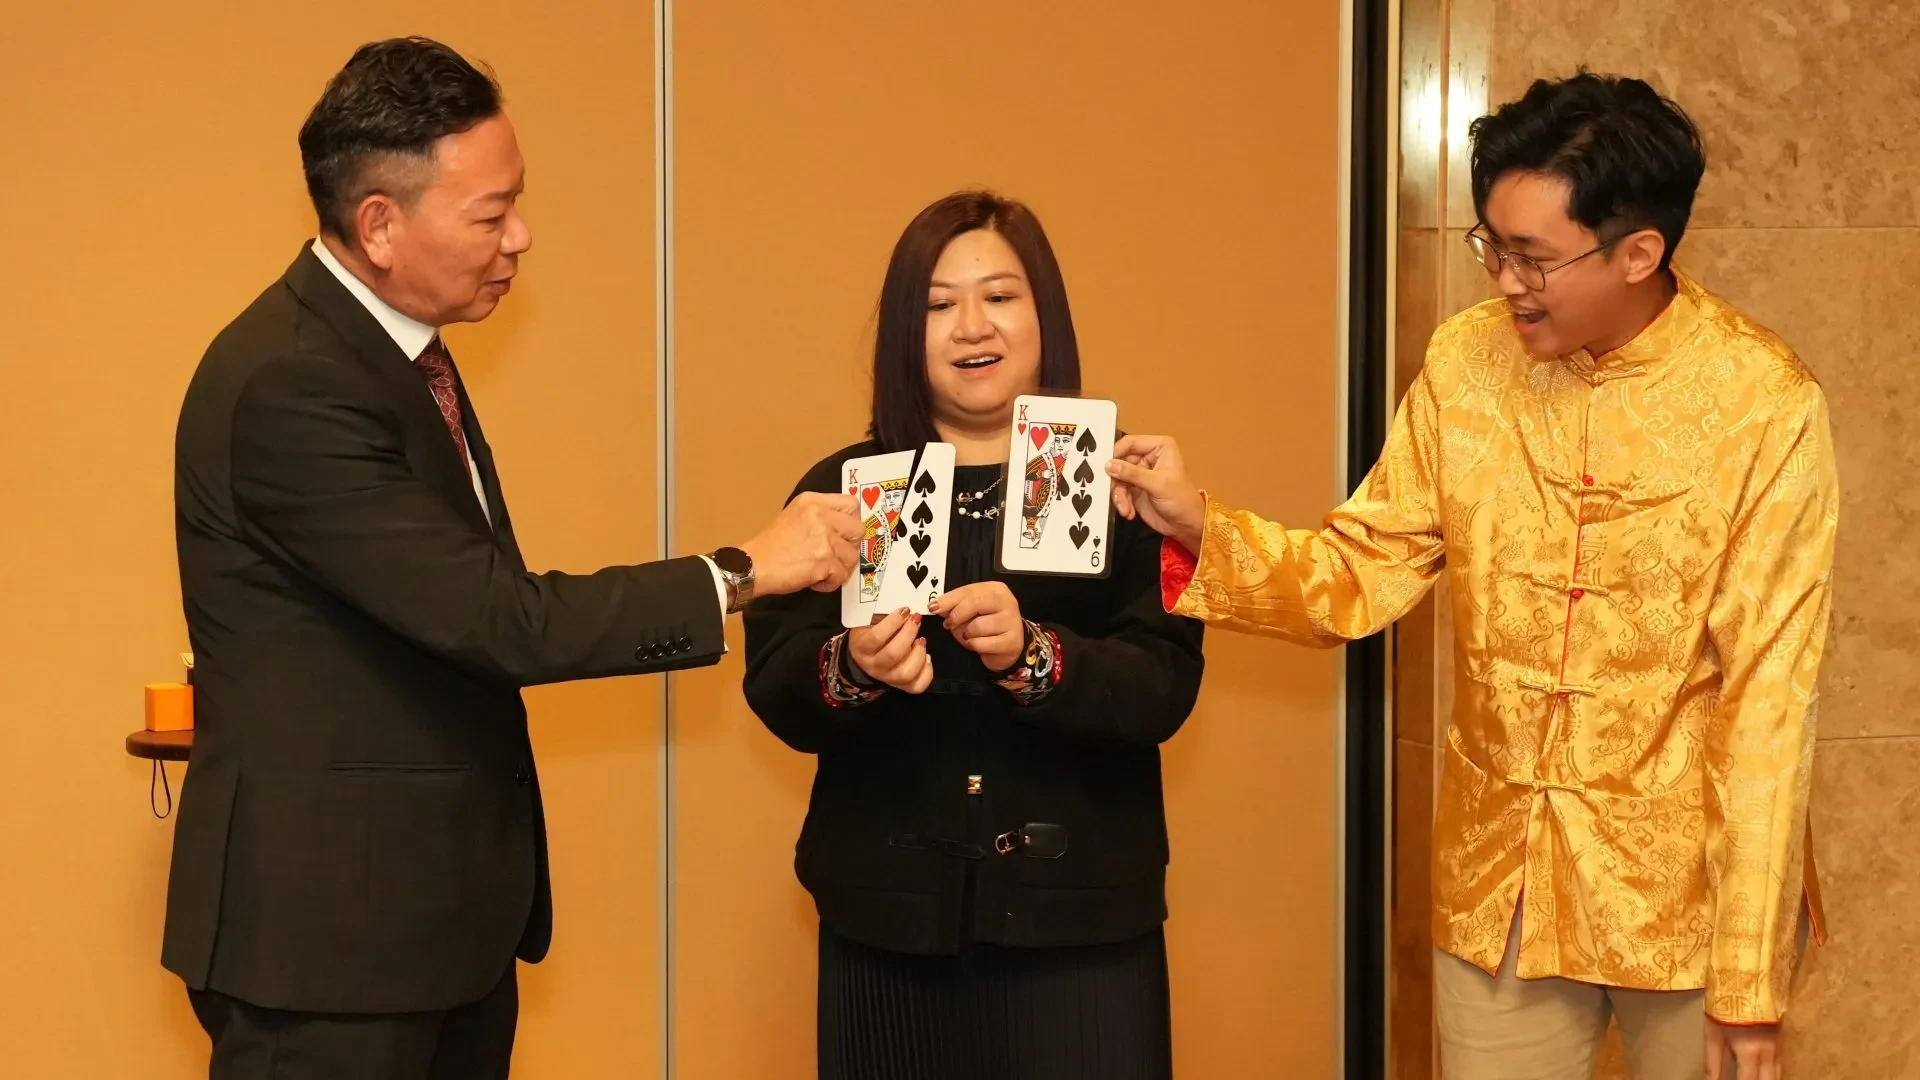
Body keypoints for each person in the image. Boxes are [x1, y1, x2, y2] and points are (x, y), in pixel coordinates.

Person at [1108, 73, 1837, 1080]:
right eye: (1490, 246)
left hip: (1693, 899)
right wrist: (1200, 525)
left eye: (1533, 257)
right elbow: (1357, 571)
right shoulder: (1465, 364)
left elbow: (1769, 698)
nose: (1504, 281)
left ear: (1640, 252)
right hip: (1506, 883)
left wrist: (1751, 984)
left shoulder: (1765, 402)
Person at [167, 37, 861, 1080]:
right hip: (330, 952)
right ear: (379, 224)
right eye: (490, 216)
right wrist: (741, 571)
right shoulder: (294, 383)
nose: (520, 237)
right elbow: (501, 620)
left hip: (430, 930)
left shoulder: (394, 352)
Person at [742, 190, 1205, 1080]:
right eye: (938, 303)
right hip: (888, 922)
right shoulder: (845, 485)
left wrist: (1034, 656)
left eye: (999, 295)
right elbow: (774, 678)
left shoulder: (1125, 486)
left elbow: (1164, 684)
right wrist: (854, 665)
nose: (969, 326)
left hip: (1082, 926)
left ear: (1044, 316)